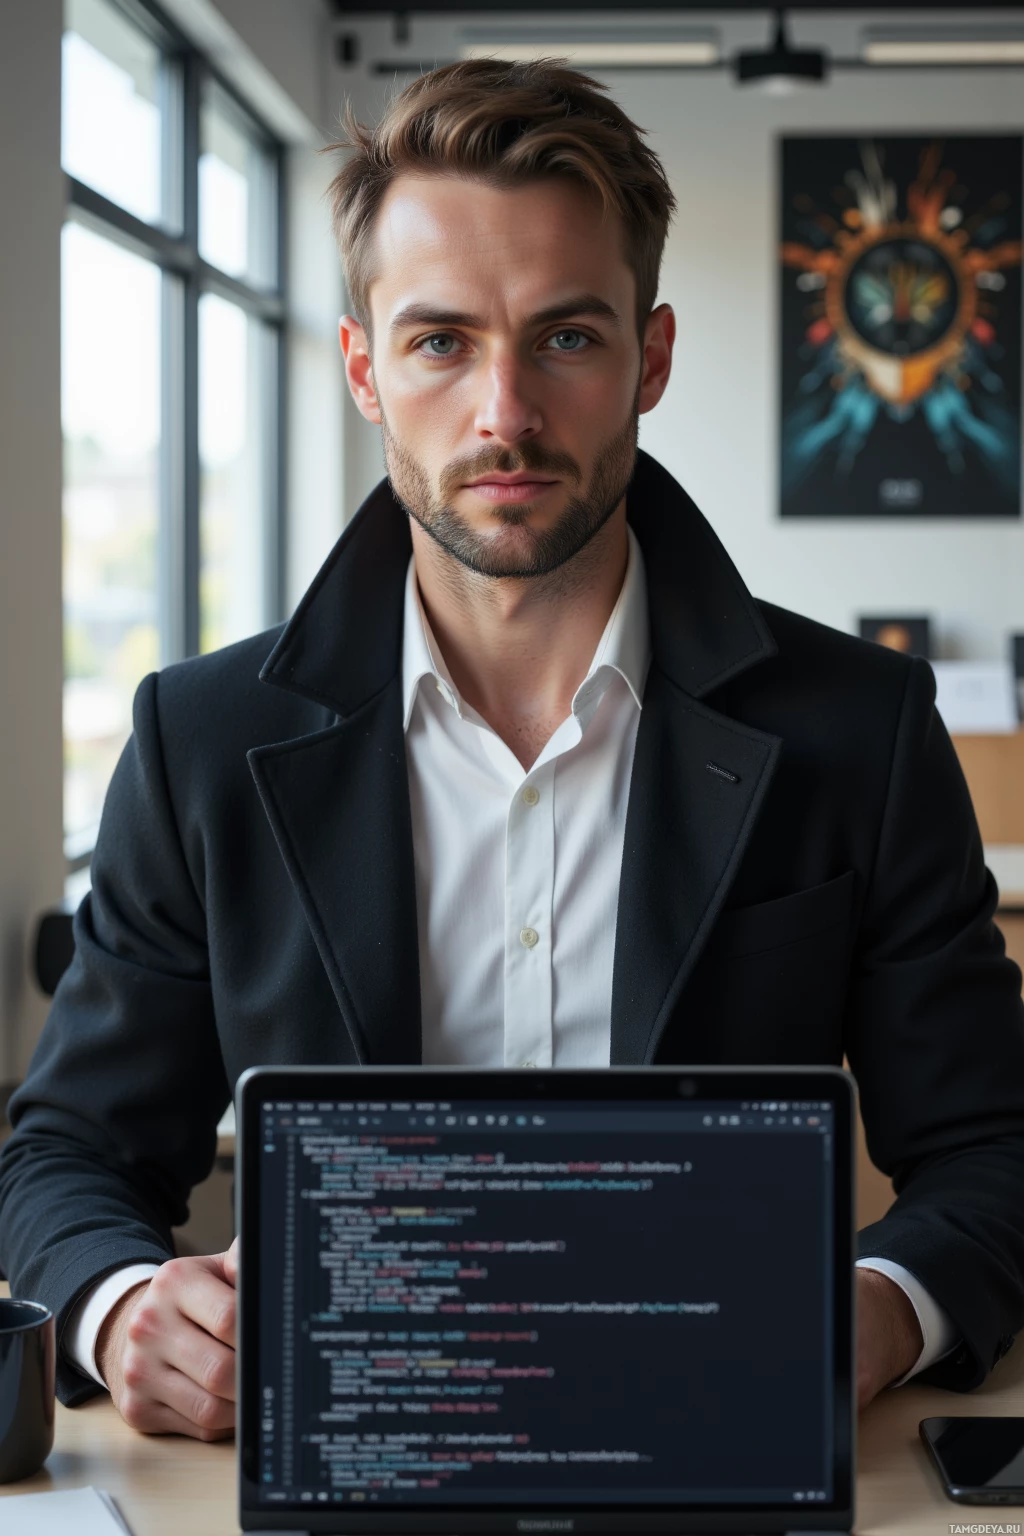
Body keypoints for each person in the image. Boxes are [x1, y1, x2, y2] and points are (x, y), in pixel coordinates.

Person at [2, 58, 1023, 1444]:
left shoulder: (862, 729)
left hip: (721, 1453)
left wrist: (882, 1310)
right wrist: (128, 1309)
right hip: (341, 1463)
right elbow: (65, 1153)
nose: (505, 415)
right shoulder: (201, 738)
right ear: (364, 366)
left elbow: (992, 1150)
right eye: (439, 343)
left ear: (650, 357)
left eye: (566, 338)